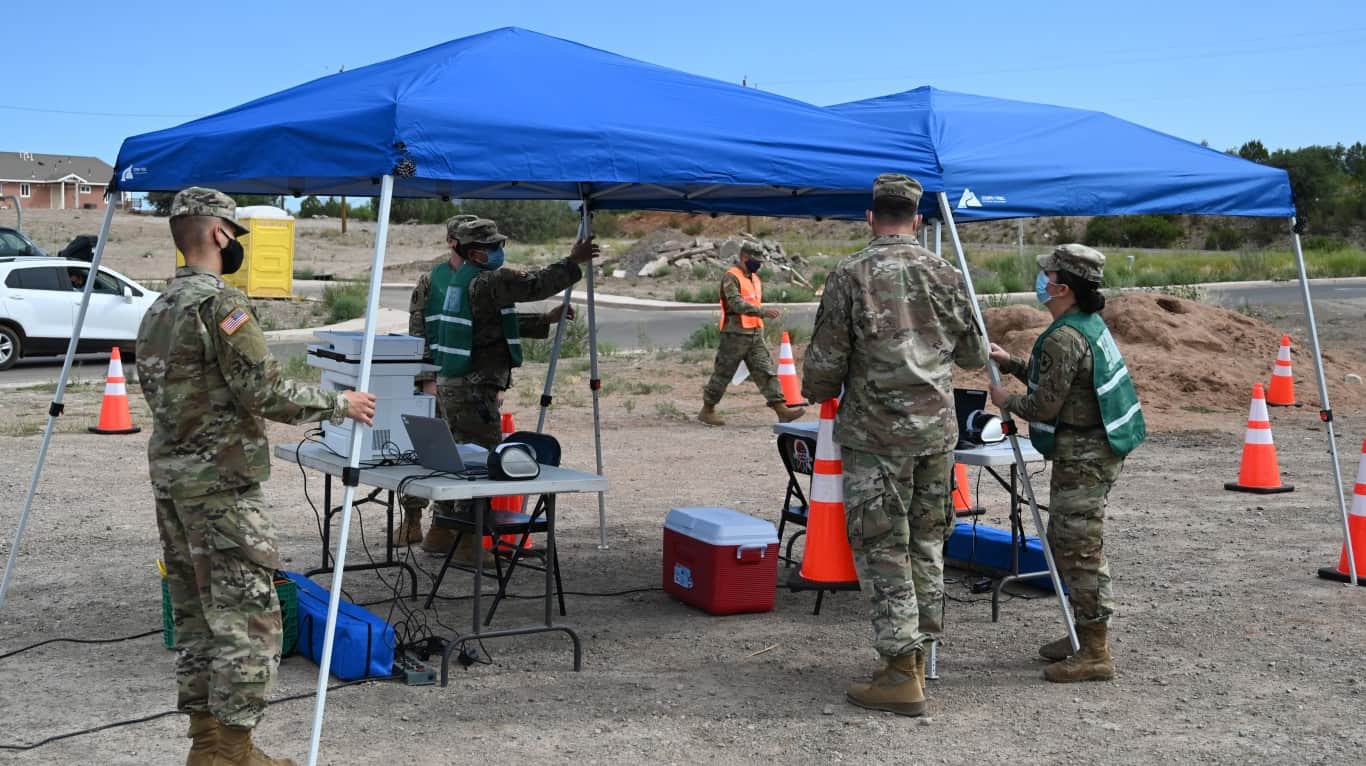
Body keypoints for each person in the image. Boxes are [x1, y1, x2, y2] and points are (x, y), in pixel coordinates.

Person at [136, 187, 376, 766]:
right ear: (220, 233)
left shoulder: (158, 308)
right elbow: (262, 389)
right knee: (250, 623)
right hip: (221, 489)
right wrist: (342, 405)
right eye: (235, 235)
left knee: (197, 621)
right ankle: (233, 755)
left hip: (175, 485)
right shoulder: (221, 305)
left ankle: (207, 747)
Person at [802, 173, 987, 717]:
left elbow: (825, 364)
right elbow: (975, 353)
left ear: (869, 216)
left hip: (877, 438)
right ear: (918, 220)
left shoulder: (850, 274)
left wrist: (815, 392)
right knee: (927, 543)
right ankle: (922, 656)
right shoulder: (946, 273)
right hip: (936, 435)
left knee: (883, 548)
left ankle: (900, 671)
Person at [988, 243, 1145, 683]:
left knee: (1078, 546)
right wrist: (1013, 363)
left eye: (1049, 275)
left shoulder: (1064, 335)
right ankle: (1083, 635)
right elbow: (1064, 381)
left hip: (1086, 452)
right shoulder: (1086, 325)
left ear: (1062, 286)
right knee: (1071, 540)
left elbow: (1045, 404)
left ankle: (1095, 651)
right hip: (1097, 448)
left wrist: (1007, 399)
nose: (1042, 281)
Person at [405, 217, 597, 562]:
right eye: (489, 247)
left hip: (449, 381)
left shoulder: (452, 281)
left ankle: (441, 531)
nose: (495, 253)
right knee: (482, 466)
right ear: (464, 247)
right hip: (475, 386)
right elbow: (536, 284)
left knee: (453, 463)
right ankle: (467, 542)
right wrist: (573, 261)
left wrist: (543, 320)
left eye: (497, 246)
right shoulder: (489, 279)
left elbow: (487, 323)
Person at [397, 214, 478, 548]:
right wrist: (427, 378)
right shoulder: (432, 281)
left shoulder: (484, 280)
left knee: (463, 458)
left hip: (471, 384)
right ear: (453, 242)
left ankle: (444, 527)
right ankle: (413, 518)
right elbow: (418, 332)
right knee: (426, 452)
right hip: (436, 381)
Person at [697, 239, 806, 426]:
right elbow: (736, 303)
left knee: (766, 371)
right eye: (756, 260)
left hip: (754, 333)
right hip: (735, 334)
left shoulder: (754, 278)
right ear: (744, 257)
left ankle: (782, 410)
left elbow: (752, 302)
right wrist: (762, 312)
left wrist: (759, 317)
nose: (759, 264)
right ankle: (707, 410)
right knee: (723, 373)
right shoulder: (731, 276)